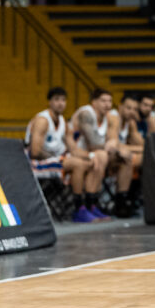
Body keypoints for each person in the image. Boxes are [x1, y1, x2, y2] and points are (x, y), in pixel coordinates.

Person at [25, 86, 101, 221]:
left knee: (90, 162)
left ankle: (91, 205)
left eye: (63, 100)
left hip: (54, 160)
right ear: (49, 102)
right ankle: (78, 209)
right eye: (57, 100)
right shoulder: (42, 120)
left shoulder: (63, 122)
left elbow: (73, 149)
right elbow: (35, 151)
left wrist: (90, 156)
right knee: (78, 164)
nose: (60, 103)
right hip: (35, 163)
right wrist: (60, 158)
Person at [65, 87, 113, 221]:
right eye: (103, 101)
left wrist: (114, 146)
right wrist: (111, 146)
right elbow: (93, 143)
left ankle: (92, 204)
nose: (107, 104)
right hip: (71, 152)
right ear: (94, 102)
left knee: (102, 156)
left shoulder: (106, 117)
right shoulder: (86, 114)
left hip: (85, 154)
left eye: (109, 101)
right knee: (100, 155)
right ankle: (83, 207)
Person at [106, 92, 145, 217]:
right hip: (104, 154)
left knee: (143, 159)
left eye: (135, 109)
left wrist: (138, 120)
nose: (131, 111)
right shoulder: (114, 117)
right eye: (128, 108)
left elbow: (144, 146)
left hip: (119, 156)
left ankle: (129, 198)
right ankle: (124, 201)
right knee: (129, 158)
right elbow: (113, 144)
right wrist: (133, 149)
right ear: (120, 107)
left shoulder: (130, 122)